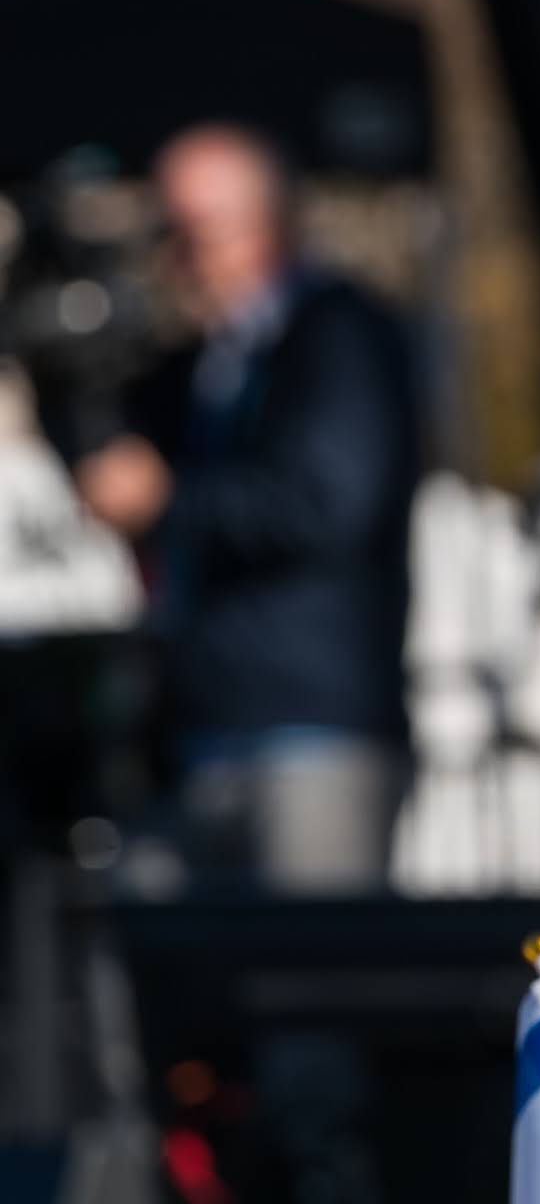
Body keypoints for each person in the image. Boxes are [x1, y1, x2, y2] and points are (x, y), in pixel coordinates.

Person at [75, 124, 419, 892]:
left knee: (312, 984)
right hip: (203, 727)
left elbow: (328, 502)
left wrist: (167, 499)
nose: (179, 261)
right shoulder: (203, 360)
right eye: (168, 235)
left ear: (270, 221)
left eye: (197, 233)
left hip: (313, 723)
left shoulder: (340, 335)